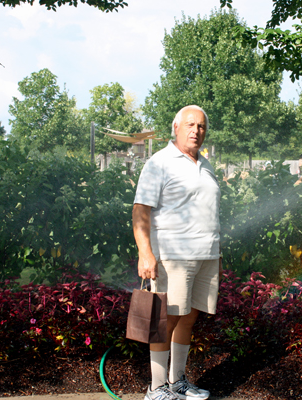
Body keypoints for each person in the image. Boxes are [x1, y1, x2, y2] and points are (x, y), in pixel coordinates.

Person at [133, 105, 221, 400]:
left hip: (206, 254)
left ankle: (177, 383)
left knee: (188, 318)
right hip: (173, 255)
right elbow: (140, 210)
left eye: (201, 127)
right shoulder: (159, 163)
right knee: (166, 320)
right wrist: (146, 253)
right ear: (176, 127)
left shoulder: (205, 165)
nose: (196, 131)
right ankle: (156, 389)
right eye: (190, 125)